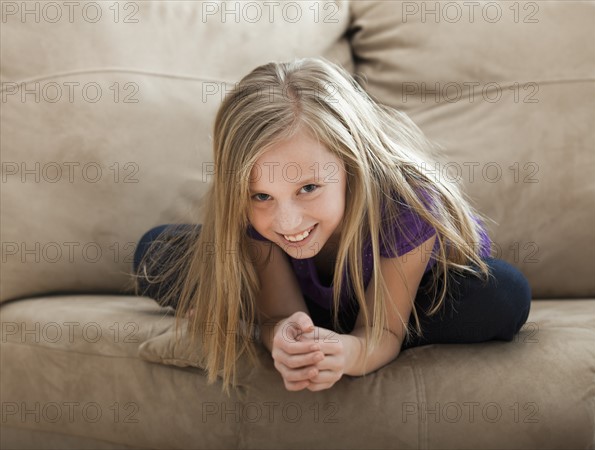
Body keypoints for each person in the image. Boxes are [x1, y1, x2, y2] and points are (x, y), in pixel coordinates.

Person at [131, 57, 531, 396]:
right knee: (156, 252)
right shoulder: (257, 216)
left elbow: (380, 330)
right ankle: (305, 319)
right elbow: (280, 314)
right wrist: (285, 335)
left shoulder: (406, 205)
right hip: (302, 294)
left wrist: (354, 351)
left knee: (501, 294)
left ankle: (277, 317)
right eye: (261, 196)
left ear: (352, 166)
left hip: (396, 300)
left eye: (308, 188)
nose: (287, 222)